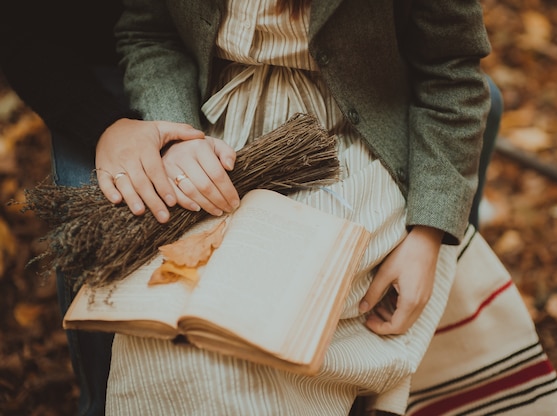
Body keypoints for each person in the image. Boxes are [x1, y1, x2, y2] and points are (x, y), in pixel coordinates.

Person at [103, 0, 493, 414]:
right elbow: (150, 34)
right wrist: (177, 134)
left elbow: (451, 74)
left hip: (348, 146)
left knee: (260, 330)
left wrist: (428, 234)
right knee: (161, 333)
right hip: (209, 139)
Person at [0, 2, 208, 415]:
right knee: (104, 243)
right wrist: (103, 125)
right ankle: (103, 400)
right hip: (92, 72)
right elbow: (18, 31)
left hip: (219, 60)